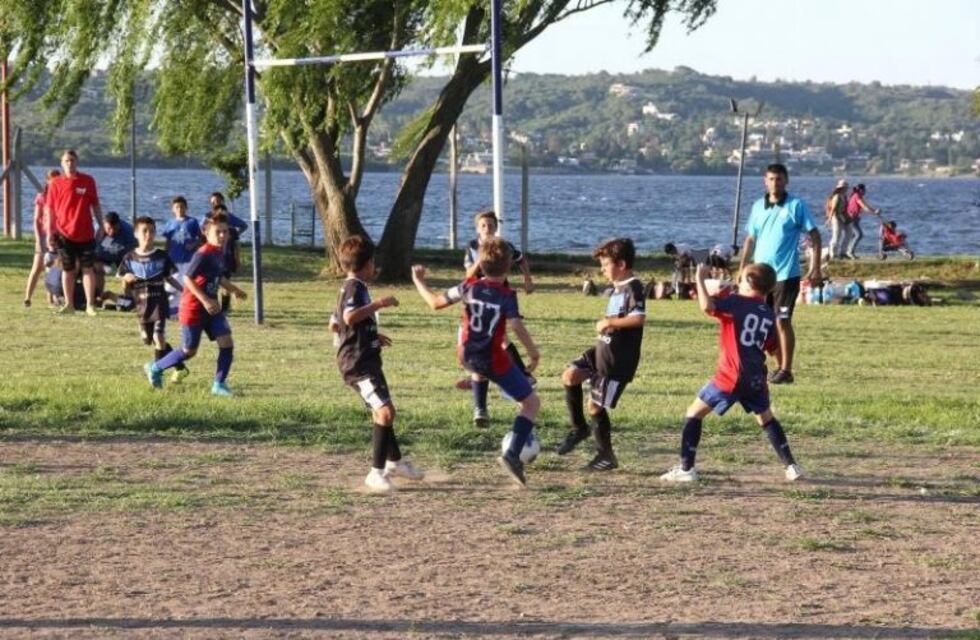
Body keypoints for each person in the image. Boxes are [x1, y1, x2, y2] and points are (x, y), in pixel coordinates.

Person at [413, 237, 542, 487]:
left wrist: (419, 281)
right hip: (491, 358)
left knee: (485, 370)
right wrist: (534, 353)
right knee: (531, 403)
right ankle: (512, 454)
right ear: (508, 268)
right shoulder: (507, 295)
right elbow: (516, 325)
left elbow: (435, 303)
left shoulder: (467, 286)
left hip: (466, 355)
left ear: (480, 265)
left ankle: (477, 388)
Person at [660, 263, 804, 483]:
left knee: (693, 413)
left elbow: (707, 307)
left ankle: (687, 469)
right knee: (766, 418)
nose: (738, 282)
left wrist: (700, 279)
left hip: (731, 375)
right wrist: (783, 368)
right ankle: (791, 466)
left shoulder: (736, 302)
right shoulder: (767, 312)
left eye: (741, 278)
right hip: (756, 376)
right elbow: (773, 348)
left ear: (749, 283)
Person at [333, 236, 424, 493]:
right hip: (358, 364)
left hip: (365, 359)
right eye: (373, 262)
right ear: (367, 264)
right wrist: (379, 304)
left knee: (382, 410)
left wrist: (371, 335)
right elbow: (349, 317)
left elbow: (336, 323)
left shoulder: (350, 287)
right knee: (385, 412)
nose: (375, 266)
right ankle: (376, 473)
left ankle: (395, 462)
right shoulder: (355, 288)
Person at [556, 238, 646, 471]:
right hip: (601, 351)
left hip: (617, 360)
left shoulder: (634, 287)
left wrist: (608, 322)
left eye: (606, 265)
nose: (602, 269)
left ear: (621, 264)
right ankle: (579, 429)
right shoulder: (616, 288)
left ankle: (606, 456)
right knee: (570, 376)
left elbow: (638, 318)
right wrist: (607, 325)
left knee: (595, 407)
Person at [144, 212, 246, 396]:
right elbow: (187, 279)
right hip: (193, 309)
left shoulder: (219, 252)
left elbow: (219, 277)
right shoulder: (203, 253)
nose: (222, 235)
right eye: (218, 232)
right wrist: (205, 300)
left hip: (212, 309)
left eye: (225, 232)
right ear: (206, 232)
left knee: (227, 343)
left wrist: (234, 290)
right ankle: (156, 368)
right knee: (189, 351)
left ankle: (219, 385)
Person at [737, 163, 821, 385]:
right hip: (760, 277)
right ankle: (775, 367)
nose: (775, 183)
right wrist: (743, 268)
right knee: (761, 323)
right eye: (771, 179)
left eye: (779, 179)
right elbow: (750, 239)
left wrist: (816, 267)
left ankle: (786, 370)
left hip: (786, 276)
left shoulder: (796, 206)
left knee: (782, 320)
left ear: (786, 181)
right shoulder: (758, 207)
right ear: (765, 181)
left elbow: (815, 235)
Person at [462, 210, 535, 427]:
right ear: (477, 229)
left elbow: (521, 259)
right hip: (476, 300)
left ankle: (518, 378)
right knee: (487, 342)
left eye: (491, 225)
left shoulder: (505, 246)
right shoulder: (472, 247)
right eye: (483, 225)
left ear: (496, 227)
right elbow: (468, 276)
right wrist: (482, 258)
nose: (488, 229)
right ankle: (484, 403)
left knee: (501, 338)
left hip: (499, 298)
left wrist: (527, 278)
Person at [118, 217, 190, 384]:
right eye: (144, 231)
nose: (148, 234)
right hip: (142, 306)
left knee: (159, 336)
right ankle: (180, 367)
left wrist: (184, 291)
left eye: (151, 231)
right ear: (136, 233)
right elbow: (125, 287)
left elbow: (170, 278)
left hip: (159, 303)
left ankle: (156, 373)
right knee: (148, 340)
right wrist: (126, 280)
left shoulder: (161, 256)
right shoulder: (129, 258)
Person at [44, 149, 104, 315]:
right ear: (61, 163)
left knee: (88, 269)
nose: (69, 163)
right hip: (64, 234)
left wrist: (101, 225)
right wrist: (49, 232)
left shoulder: (88, 180)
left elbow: (95, 205)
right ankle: (69, 304)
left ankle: (90, 305)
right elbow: (50, 210)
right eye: (66, 161)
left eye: (72, 160)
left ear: (77, 162)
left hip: (86, 233)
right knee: (68, 269)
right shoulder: (55, 183)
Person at [24, 169, 60, 307]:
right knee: (37, 266)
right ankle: (28, 297)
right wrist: (39, 239)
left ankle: (52, 298)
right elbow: (36, 219)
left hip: (57, 235)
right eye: (52, 179)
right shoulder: (42, 196)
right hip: (44, 234)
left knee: (53, 267)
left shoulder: (61, 196)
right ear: (47, 180)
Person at [207, 193, 249, 311]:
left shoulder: (231, 229)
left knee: (225, 282)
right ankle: (214, 304)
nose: (215, 204)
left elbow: (238, 242)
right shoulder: (208, 219)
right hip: (213, 258)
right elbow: (202, 232)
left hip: (227, 258)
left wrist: (237, 259)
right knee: (213, 283)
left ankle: (225, 307)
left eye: (217, 201)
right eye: (213, 202)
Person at [95, 211, 137, 297]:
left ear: (119, 225)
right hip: (102, 257)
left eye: (114, 229)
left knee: (128, 274)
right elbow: (91, 250)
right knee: (98, 269)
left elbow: (135, 251)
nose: (111, 232)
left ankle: (129, 297)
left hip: (123, 257)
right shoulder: (96, 230)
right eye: (109, 229)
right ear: (104, 224)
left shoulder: (129, 232)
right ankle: (98, 296)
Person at [162, 196, 201, 275]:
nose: (179, 209)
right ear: (173, 209)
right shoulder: (169, 223)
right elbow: (168, 241)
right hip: (174, 258)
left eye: (182, 207)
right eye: (177, 207)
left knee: (187, 278)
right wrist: (165, 255)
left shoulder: (192, 221)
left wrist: (193, 245)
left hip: (189, 258)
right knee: (174, 278)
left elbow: (201, 238)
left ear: (186, 208)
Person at [843, 183, 881, 259]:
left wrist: (874, 210)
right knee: (858, 234)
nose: (865, 191)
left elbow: (866, 206)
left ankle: (847, 252)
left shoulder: (857, 196)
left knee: (853, 235)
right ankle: (849, 252)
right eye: (864, 190)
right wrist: (874, 212)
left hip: (855, 219)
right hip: (851, 218)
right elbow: (864, 207)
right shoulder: (857, 196)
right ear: (861, 190)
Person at [824, 179, 849, 261]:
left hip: (841, 217)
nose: (847, 189)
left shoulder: (843, 196)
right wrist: (829, 219)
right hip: (836, 217)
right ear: (842, 188)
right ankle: (832, 253)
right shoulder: (837, 196)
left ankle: (837, 253)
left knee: (839, 235)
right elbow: (833, 209)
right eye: (845, 187)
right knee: (836, 236)